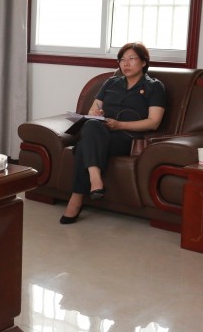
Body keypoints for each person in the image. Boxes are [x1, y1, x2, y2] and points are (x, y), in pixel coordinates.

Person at [60, 42, 167, 224]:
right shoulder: (110, 83)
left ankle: (76, 199)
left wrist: (120, 125)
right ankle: (95, 180)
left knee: (83, 146)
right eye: (122, 60)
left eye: (131, 58)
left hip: (127, 138)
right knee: (92, 125)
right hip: (102, 132)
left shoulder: (155, 87)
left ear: (143, 62)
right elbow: (93, 110)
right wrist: (97, 114)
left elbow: (153, 122)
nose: (126, 63)